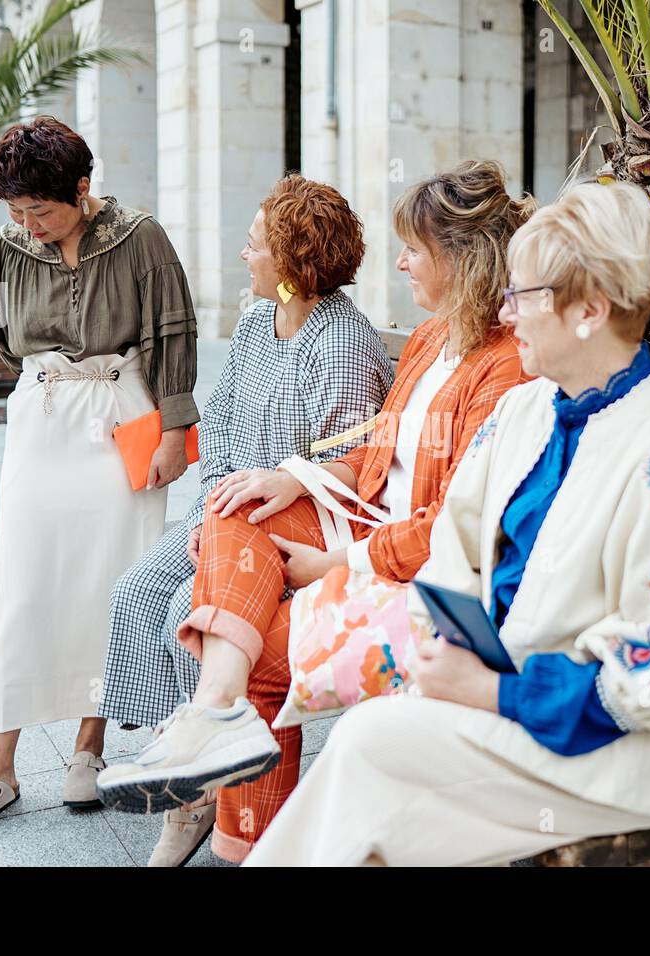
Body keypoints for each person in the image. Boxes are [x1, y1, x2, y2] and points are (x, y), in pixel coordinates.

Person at [245, 180, 650, 866]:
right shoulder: (528, 410)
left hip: (623, 750)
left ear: (589, 311)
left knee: (370, 752)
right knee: (373, 772)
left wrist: (492, 690)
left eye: (521, 296)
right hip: (501, 695)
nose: (506, 314)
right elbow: (454, 548)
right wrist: (443, 650)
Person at [97, 160, 535, 863]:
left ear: (465, 260)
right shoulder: (428, 340)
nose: (400, 263)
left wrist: (337, 561)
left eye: (415, 250)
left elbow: (457, 527)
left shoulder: (503, 366)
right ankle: (218, 717)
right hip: (360, 520)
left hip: (422, 575)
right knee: (238, 501)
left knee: (260, 649)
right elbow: (370, 456)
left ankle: (239, 825)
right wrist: (293, 478)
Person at [96, 174, 393, 866]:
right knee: (134, 593)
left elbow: (346, 467)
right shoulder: (259, 320)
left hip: (297, 525)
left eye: (256, 247)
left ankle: (198, 795)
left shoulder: (340, 344)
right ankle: (185, 756)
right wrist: (215, 505)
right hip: (230, 506)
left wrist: (246, 517)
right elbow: (223, 416)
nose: (243, 256)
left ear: (291, 266)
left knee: (183, 608)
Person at [0, 116, 199, 836]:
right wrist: (54, 374)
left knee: (109, 585)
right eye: (16, 213)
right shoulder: (10, 244)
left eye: (40, 210)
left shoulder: (141, 237)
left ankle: (88, 751)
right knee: (24, 590)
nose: (29, 225)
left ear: (82, 188)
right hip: (43, 420)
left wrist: (175, 430)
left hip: (125, 420)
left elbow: (174, 331)